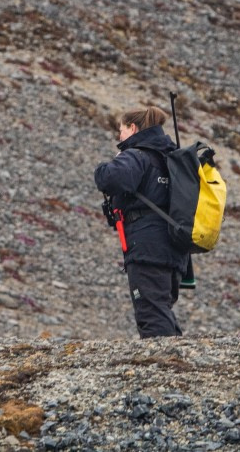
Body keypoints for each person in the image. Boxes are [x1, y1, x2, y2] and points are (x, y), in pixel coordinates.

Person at [94, 107, 187, 338]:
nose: (120, 137)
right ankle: (176, 358)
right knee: (160, 306)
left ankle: (165, 366)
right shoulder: (170, 158)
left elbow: (111, 179)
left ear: (133, 128)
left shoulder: (137, 154)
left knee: (151, 312)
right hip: (176, 247)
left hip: (147, 245)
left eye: (122, 130)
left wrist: (104, 168)